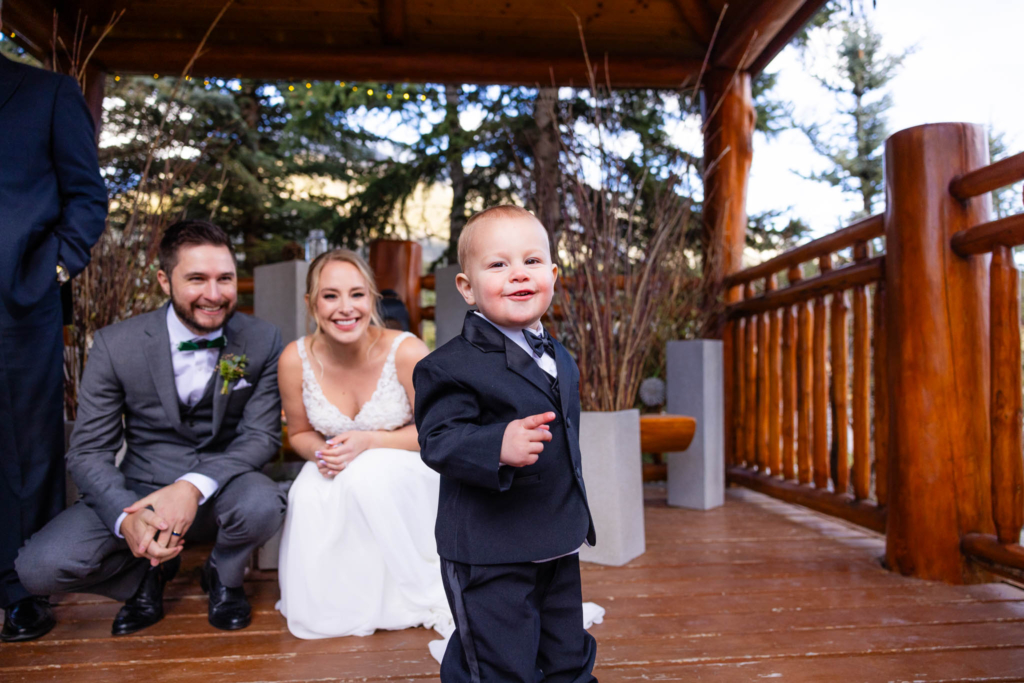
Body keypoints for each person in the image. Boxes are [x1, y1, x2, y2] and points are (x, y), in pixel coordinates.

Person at [16, 220, 286, 636]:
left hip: (224, 486)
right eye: (197, 279)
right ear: (165, 280)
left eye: (224, 279)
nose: (214, 295)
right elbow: (88, 451)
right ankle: (145, 576)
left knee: (264, 504)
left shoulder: (264, 340)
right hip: (142, 489)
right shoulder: (115, 345)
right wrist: (129, 520)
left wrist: (192, 486)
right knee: (38, 569)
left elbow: (261, 437)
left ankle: (223, 575)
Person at [414, 205, 598, 682]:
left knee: (567, 649)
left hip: (556, 535)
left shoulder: (561, 356)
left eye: (532, 262)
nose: (518, 274)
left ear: (553, 275)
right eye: (498, 265)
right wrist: (497, 444)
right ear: (467, 287)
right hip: (488, 549)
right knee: (497, 660)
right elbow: (439, 440)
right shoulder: (448, 366)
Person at [0, 14, 109, 641]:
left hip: (19, 303)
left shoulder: (48, 94)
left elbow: (86, 196)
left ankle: (22, 587)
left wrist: (53, 270)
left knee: (27, 449)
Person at [275, 249, 447, 640]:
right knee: (307, 490)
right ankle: (340, 602)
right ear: (311, 303)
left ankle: (403, 594)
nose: (345, 307)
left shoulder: (407, 351)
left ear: (371, 299)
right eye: (330, 295)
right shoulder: (294, 359)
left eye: (357, 294)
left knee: (366, 475)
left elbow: (437, 432)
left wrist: (369, 442)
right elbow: (298, 433)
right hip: (338, 461)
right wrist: (324, 455)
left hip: (410, 463)